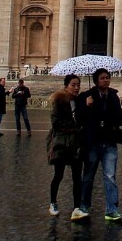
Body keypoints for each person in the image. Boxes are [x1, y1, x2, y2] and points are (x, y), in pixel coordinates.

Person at [77, 68, 122, 221]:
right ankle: (84, 206)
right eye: (103, 78)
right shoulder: (86, 97)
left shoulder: (114, 97)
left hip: (109, 142)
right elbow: (79, 118)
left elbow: (117, 119)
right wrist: (86, 105)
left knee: (110, 176)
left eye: (108, 77)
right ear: (96, 81)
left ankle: (112, 210)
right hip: (92, 142)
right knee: (88, 176)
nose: (106, 80)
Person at [47, 74, 85, 219]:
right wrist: (74, 127)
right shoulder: (59, 101)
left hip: (75, 143)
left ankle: (76, 207)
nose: (76, 88)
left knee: (77, 176)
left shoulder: (80, 101)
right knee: (58, 175)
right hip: (62, 143)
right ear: (66, 86)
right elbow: (55, 122)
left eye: (78, 85)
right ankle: (53, 203)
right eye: (73, 85)